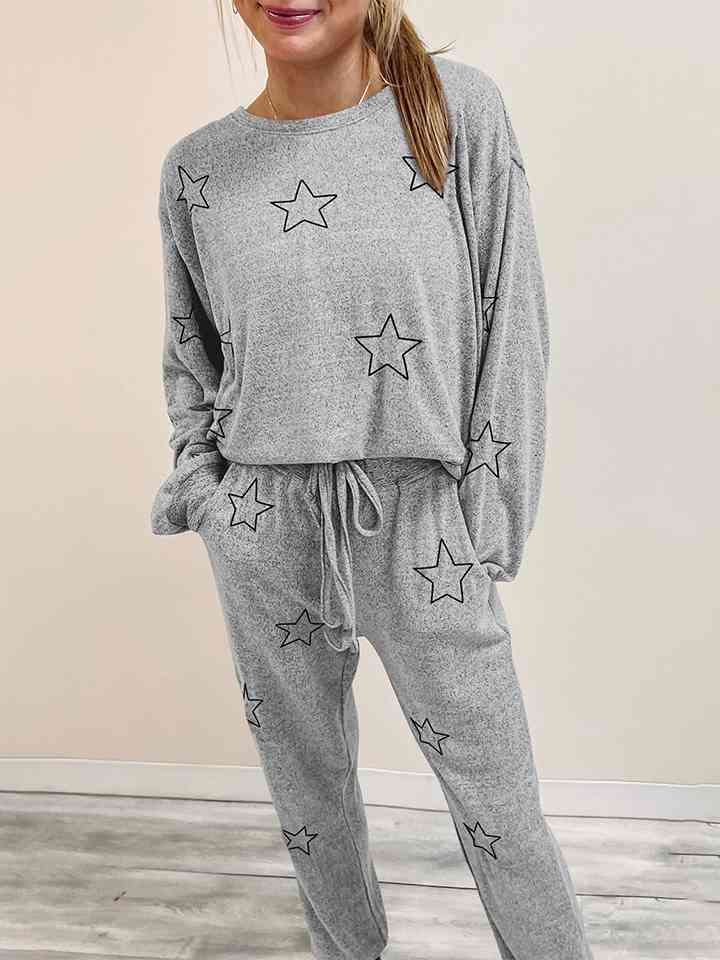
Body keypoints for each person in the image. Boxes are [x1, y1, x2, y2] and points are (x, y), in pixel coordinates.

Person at [150, 1, 595, 958]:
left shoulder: (458, 112)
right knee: (309, 799)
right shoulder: (197, 169)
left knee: (501, 807)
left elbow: (514, 322)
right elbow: (191, 357)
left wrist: (484, 522)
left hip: (424, 522)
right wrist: (210, 496)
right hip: (265, 523)